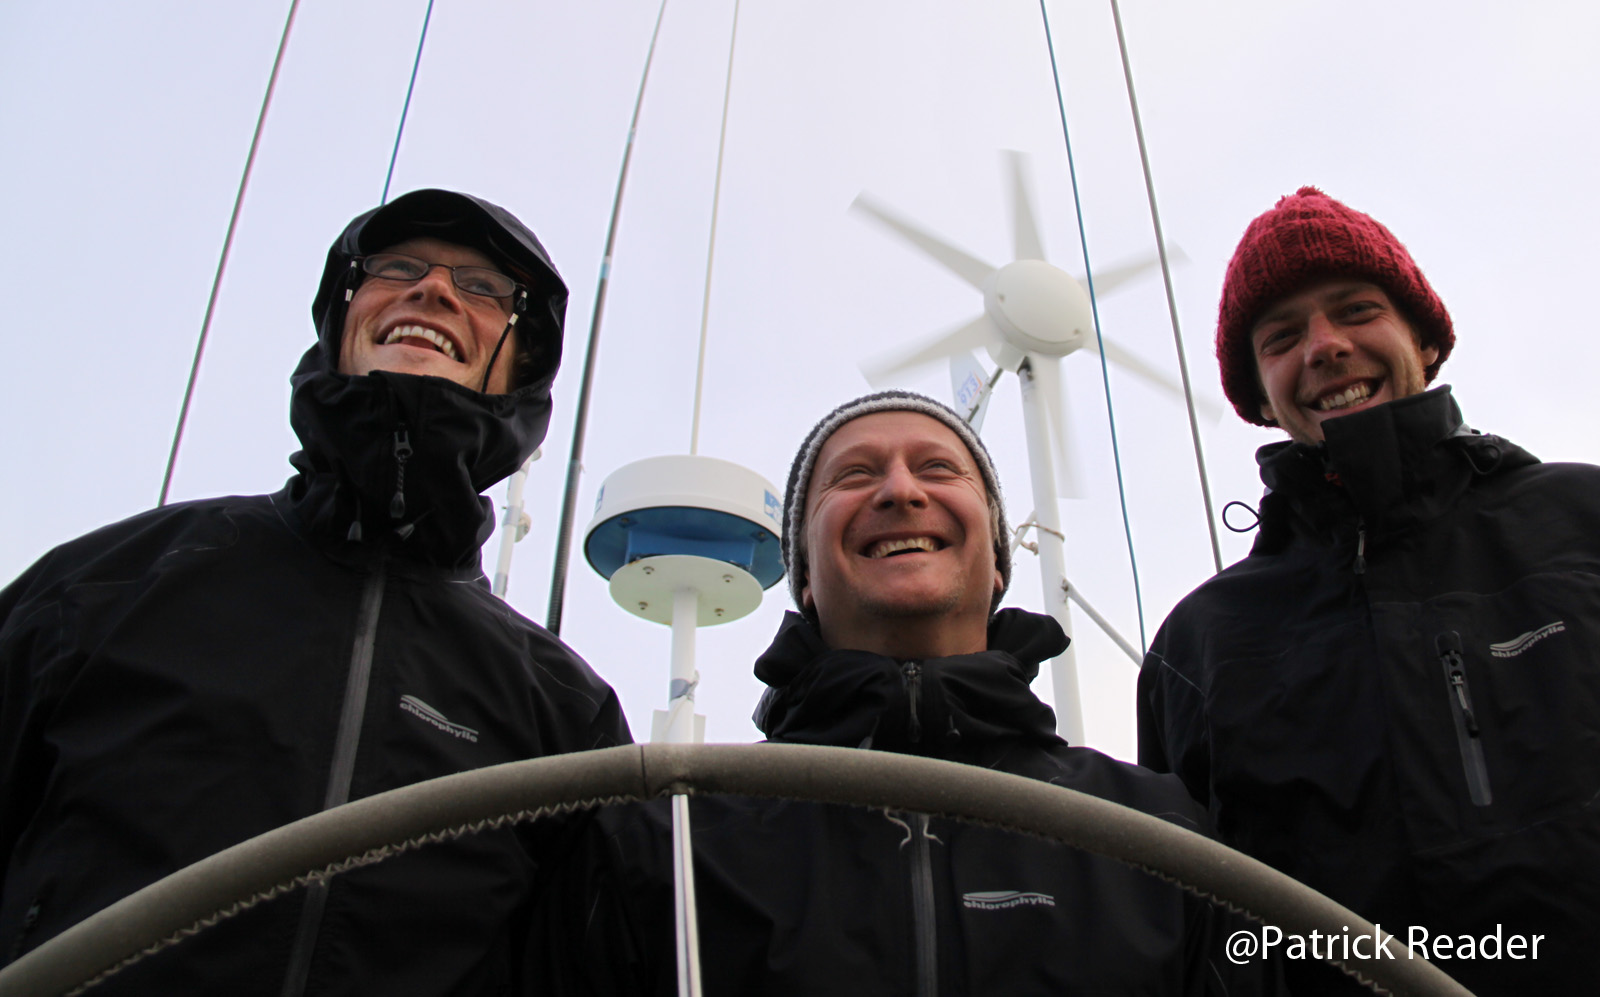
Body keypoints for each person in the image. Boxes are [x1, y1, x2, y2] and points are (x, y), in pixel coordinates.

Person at [0, 189, 630, 993]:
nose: (433, 290)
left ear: (520, 367)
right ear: (341, 322)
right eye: (396, 267)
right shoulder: (107, 585)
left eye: (482, 287)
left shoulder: (564, 712)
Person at [570, 391, 1267, 995]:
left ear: (998, 561)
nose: (901, 491)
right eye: (854, 474)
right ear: (805, 576)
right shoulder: (670, 841)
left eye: (937, 468)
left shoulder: (1159, 834)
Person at [1137, 186, 1600, 992]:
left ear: (1423, 336)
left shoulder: (1581, 522)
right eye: (1282, 337)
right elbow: (1195, 934)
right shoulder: (1198, 646)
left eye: (1356, 310)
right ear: (1258, 392)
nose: (1325, 346)